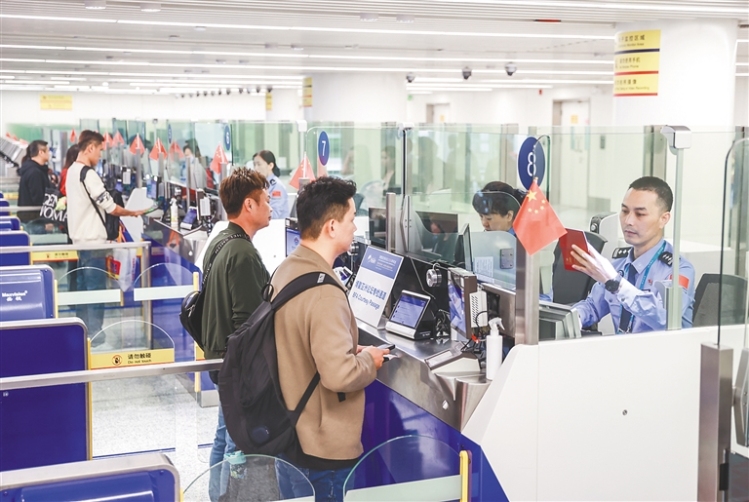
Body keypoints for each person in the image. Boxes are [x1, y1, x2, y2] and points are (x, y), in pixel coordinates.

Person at [272, 177, 388, 502]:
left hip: (289, 439)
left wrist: (348, 350)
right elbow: (339, 376)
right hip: (321, 453)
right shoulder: (325, 291)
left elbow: (300, 345)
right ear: (332, 227)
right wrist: (369, 360)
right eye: (351, 219)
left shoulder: (287, 269)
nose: (355, 227)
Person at [200, 167, 272, 502]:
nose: (270, 206)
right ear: (249, 205)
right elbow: (249, 324)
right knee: (235, 442)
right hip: (238, 368)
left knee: (222, 435)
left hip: (220, 358)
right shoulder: (242, 253)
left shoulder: (220, 241)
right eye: (265, 200)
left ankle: (216, 496)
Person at [571, 176, 696, 333]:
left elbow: (665, 319)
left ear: (663, 219)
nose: (628, 221)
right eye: (625, 211)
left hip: (661, 348)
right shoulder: (619, 265)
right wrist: (575, 317)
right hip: (621, 347)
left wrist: (617, 285)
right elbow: (592, 306)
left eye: (640, 214)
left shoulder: (678, 270)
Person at [65, 130, 145, 344]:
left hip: (79, 241)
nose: (100, 155)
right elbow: (110, 207)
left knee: (83, 288)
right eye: (99, 150)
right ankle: (95, 334)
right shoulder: (88, 174)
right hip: (94, 242)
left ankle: (82, 331)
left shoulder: (72, 171)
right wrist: (133, 212)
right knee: (95, 289)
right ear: (90, 148)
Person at [471, 181, 553, 302]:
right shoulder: (484, 240)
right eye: (481, 217)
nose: (484, 223)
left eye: (489, 218)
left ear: (509, 215)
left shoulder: (528, 243)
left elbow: (544, 298)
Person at [17, 139, 51, 223]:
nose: (49, 154)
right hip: (34, 220)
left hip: (30, 218)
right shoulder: (35, 173)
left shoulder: (33, 169)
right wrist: (46, 221)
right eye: (48, 151)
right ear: (41, 153)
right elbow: (38, 199)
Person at [252, 150, 289, 219]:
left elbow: (274, 214)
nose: (256, 168)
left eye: (259, 164)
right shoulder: (259, 185)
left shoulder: (277, 186)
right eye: (254, 165)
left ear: (270, 165)